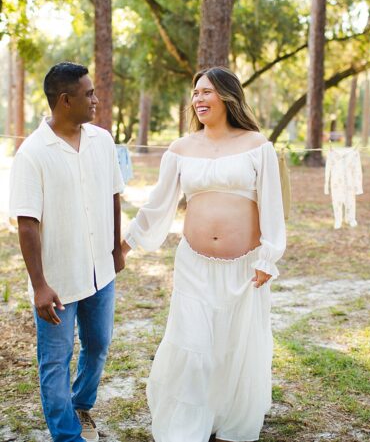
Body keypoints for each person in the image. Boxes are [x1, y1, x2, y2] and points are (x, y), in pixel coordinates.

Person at [122, 66, 286, 442]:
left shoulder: (257, 145)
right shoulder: (181, 148)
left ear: (227, 96)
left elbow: (272, 207)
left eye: (206, 92)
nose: (198, 99)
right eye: (195, 93)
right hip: (193, 264)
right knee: (195, 347)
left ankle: (228, 422)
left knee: (233, 347)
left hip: (243, 270)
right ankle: (186, 428)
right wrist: (127, 244)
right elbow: (158, 205)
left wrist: (268, 258)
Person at [9, 62, 125, 442]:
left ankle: (81, 404)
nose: (96, 99)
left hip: (99, 271)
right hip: (57, 282)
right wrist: (39, 285)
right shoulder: (33, 154)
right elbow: (27, 223)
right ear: (65, 100)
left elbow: (113, 195)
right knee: (55, 361)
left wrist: (115, 248)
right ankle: (66, 435)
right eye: (88, 93)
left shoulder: (102, 140)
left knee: (99, 345)